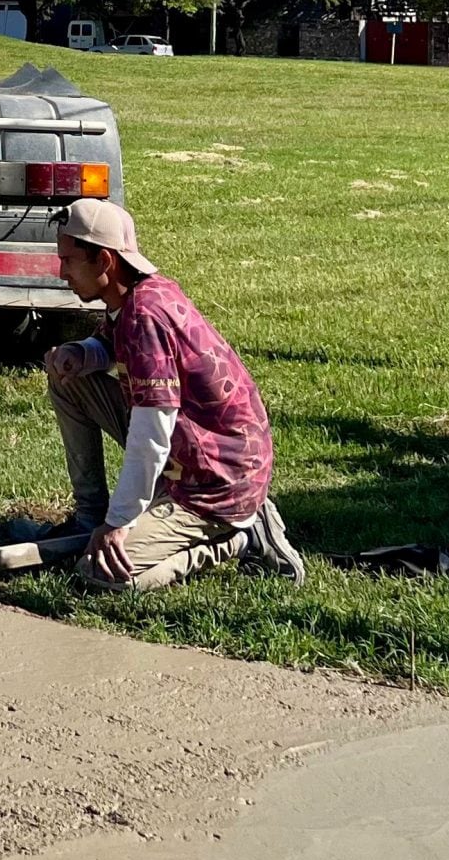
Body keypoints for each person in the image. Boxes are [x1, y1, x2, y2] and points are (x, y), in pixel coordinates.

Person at [43, 198, 305, 590]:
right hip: (194, 453)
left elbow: (151, 436)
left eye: (68, 260)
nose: (61, 272)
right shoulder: (136, 298)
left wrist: (119, 522)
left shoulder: (145, 317)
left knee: (101, 576)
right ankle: (87, 518)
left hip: (215, 480)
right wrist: (81, 354)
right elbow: (113, 347)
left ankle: (236, 538)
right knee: (68, 378)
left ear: (105, 262)